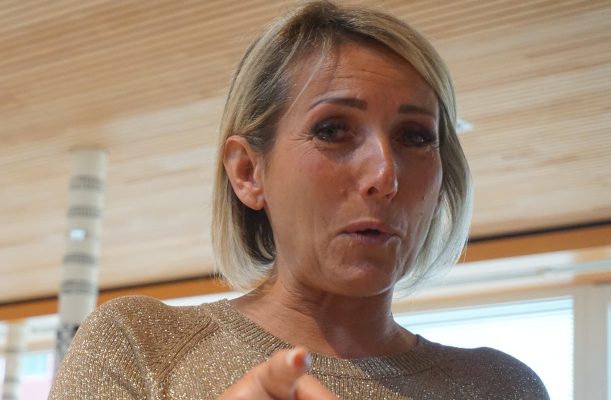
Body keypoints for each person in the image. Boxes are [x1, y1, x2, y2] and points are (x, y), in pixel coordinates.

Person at [48, 1, 550, 399]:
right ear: (248, 172)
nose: (384, 175)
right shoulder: (140, 346)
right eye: (332, 130)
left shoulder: (500, 388)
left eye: (415, 137)